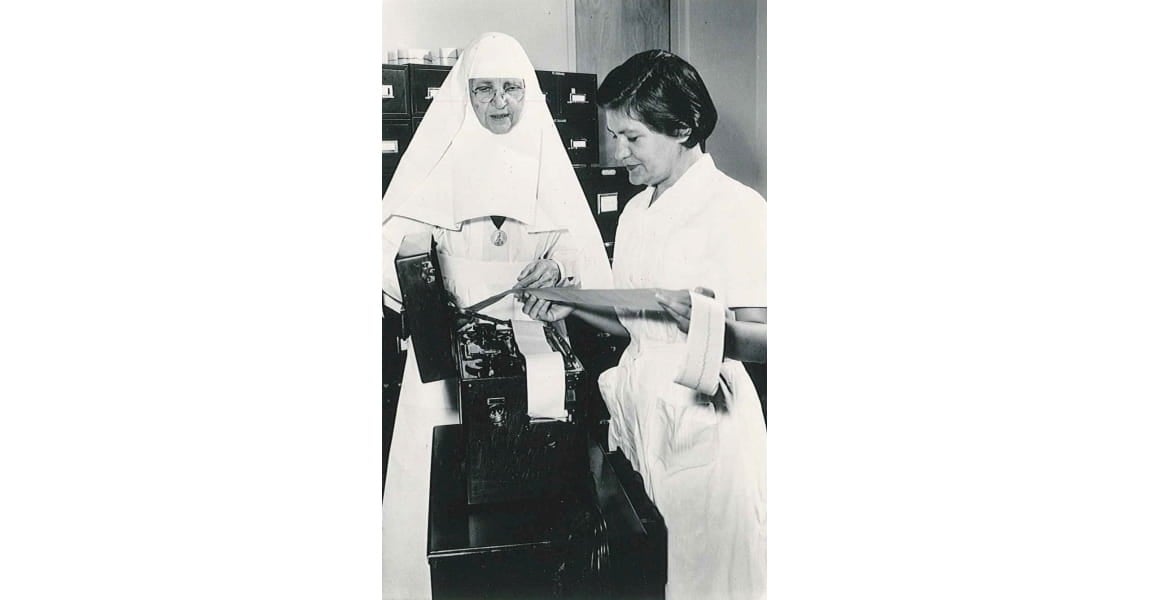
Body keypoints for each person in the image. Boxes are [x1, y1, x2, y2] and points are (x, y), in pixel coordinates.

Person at [524, 49, 768, 600]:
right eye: (613, 136)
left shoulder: (739, 210)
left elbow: (766, 340)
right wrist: (570, 303)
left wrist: (715, 330)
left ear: (682, 127)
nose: (617, 152)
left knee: (707, 581)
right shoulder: (636, 211)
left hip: (707, 435)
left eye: (632, 138)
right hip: (644, 424)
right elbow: (626, 323)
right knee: (651, 575)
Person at [380, 32, 611, 599]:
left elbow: (581, 258)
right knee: (441, 515)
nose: (499, 103)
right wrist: (422, 268)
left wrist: (556, 273)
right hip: (448, 370)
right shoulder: (438, 166)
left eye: (511, 88)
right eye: (484, 90)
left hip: (533, 359)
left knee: (529, 514)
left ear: (529, 93)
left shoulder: (546, 165)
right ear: (466, 96)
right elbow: (394, 262)